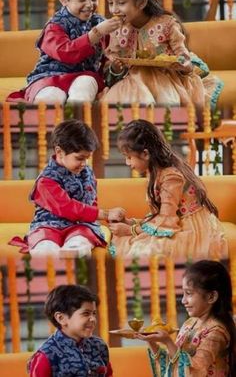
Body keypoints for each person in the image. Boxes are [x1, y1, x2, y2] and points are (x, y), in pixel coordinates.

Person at [100, 0, 223, 116]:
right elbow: (111, 62)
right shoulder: (115, 29)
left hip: (164, 79)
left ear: (141, 2)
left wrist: (183, 64)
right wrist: (116, 68)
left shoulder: (167, 24)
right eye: (110, 3)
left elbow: (182, 54)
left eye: (121, 3)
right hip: (130, 81)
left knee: (165, 102)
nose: (114, 9)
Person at [108, 119, 226, 259]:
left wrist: (131, 230)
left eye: (129, 157)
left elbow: (166, 219)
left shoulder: (171, 177)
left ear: (146, 154)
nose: (127, 163)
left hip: (189, 229)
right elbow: (159, 215)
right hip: (174, 222)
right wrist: (131, 223)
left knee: (145, 251)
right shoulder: (157, 172)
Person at [6, 0, 122, 104]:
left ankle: (74, 123)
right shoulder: (55, 26)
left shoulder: (100, 22)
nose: (90, 4)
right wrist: (96, 33)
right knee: (52, 97)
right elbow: (65, 52)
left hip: (84, 76)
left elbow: (107, 57)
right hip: (50, 77)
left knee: (85, 85)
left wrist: (113, 65)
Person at [9, 119, 125, 257]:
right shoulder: (46, 180)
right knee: (44, 244)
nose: (84, 163)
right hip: (49, 225)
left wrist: (106, 218)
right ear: (60, 152)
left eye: (87, 158)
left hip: (81, 226)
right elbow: (67, 207)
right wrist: (105, 214)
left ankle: (72, 253)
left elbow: (92, 200)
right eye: (79, 158)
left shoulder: (87, 173)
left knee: (82, 239)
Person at [136, 260, 236, 376]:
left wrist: (168, 341)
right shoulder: (189, 323)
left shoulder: (216, 333)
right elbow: (172, 365)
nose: (183, 301)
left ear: (211, 296)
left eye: (189, 293)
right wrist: (152, 341)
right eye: (183, 294)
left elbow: (194, 372)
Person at [28, 284, 113, 376]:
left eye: (94, 313)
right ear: (61, 318)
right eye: (86, 313)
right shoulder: (46, 355)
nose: (93, 319)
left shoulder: (99, 346)